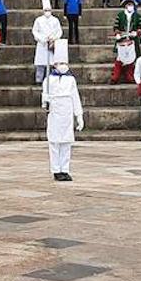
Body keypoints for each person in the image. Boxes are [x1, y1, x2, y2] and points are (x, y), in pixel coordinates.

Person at [42, 39, 84, 182]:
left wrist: (79, 115)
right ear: (54, 64)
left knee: (66, 142)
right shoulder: (49, 80)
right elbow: (44, 97)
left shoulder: (70, 80)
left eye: (65, 64)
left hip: (66, 111)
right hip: (55, 110)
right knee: (54, 142)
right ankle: (55, 169)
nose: (63, 66)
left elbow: (75, 97)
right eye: (60, 64)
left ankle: (65, 169)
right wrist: (45, 100)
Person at [111, 0, 141, 84]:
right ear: (125, 6)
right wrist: (117, 33)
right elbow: (116, 27)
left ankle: (130, 76)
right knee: (119, 59)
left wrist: (136, 33)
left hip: (132, 41)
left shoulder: (137, 16)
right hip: (122, 40)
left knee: (131, 59)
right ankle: (115, 77)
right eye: (128, 5)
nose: (130, 6)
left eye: (131, 5)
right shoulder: (120, 15)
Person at [32, 0, 62, 84]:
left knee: (52, 63)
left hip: (52, 43)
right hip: (42, 43)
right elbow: (35, 31)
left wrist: (54, 38)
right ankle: (39, 80)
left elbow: (59, 31)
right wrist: (42, 38)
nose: (47, 12)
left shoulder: (55, 20)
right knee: (40, 64)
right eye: (46, 10)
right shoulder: (38, 20)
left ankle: (51, 80)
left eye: (49, 10)